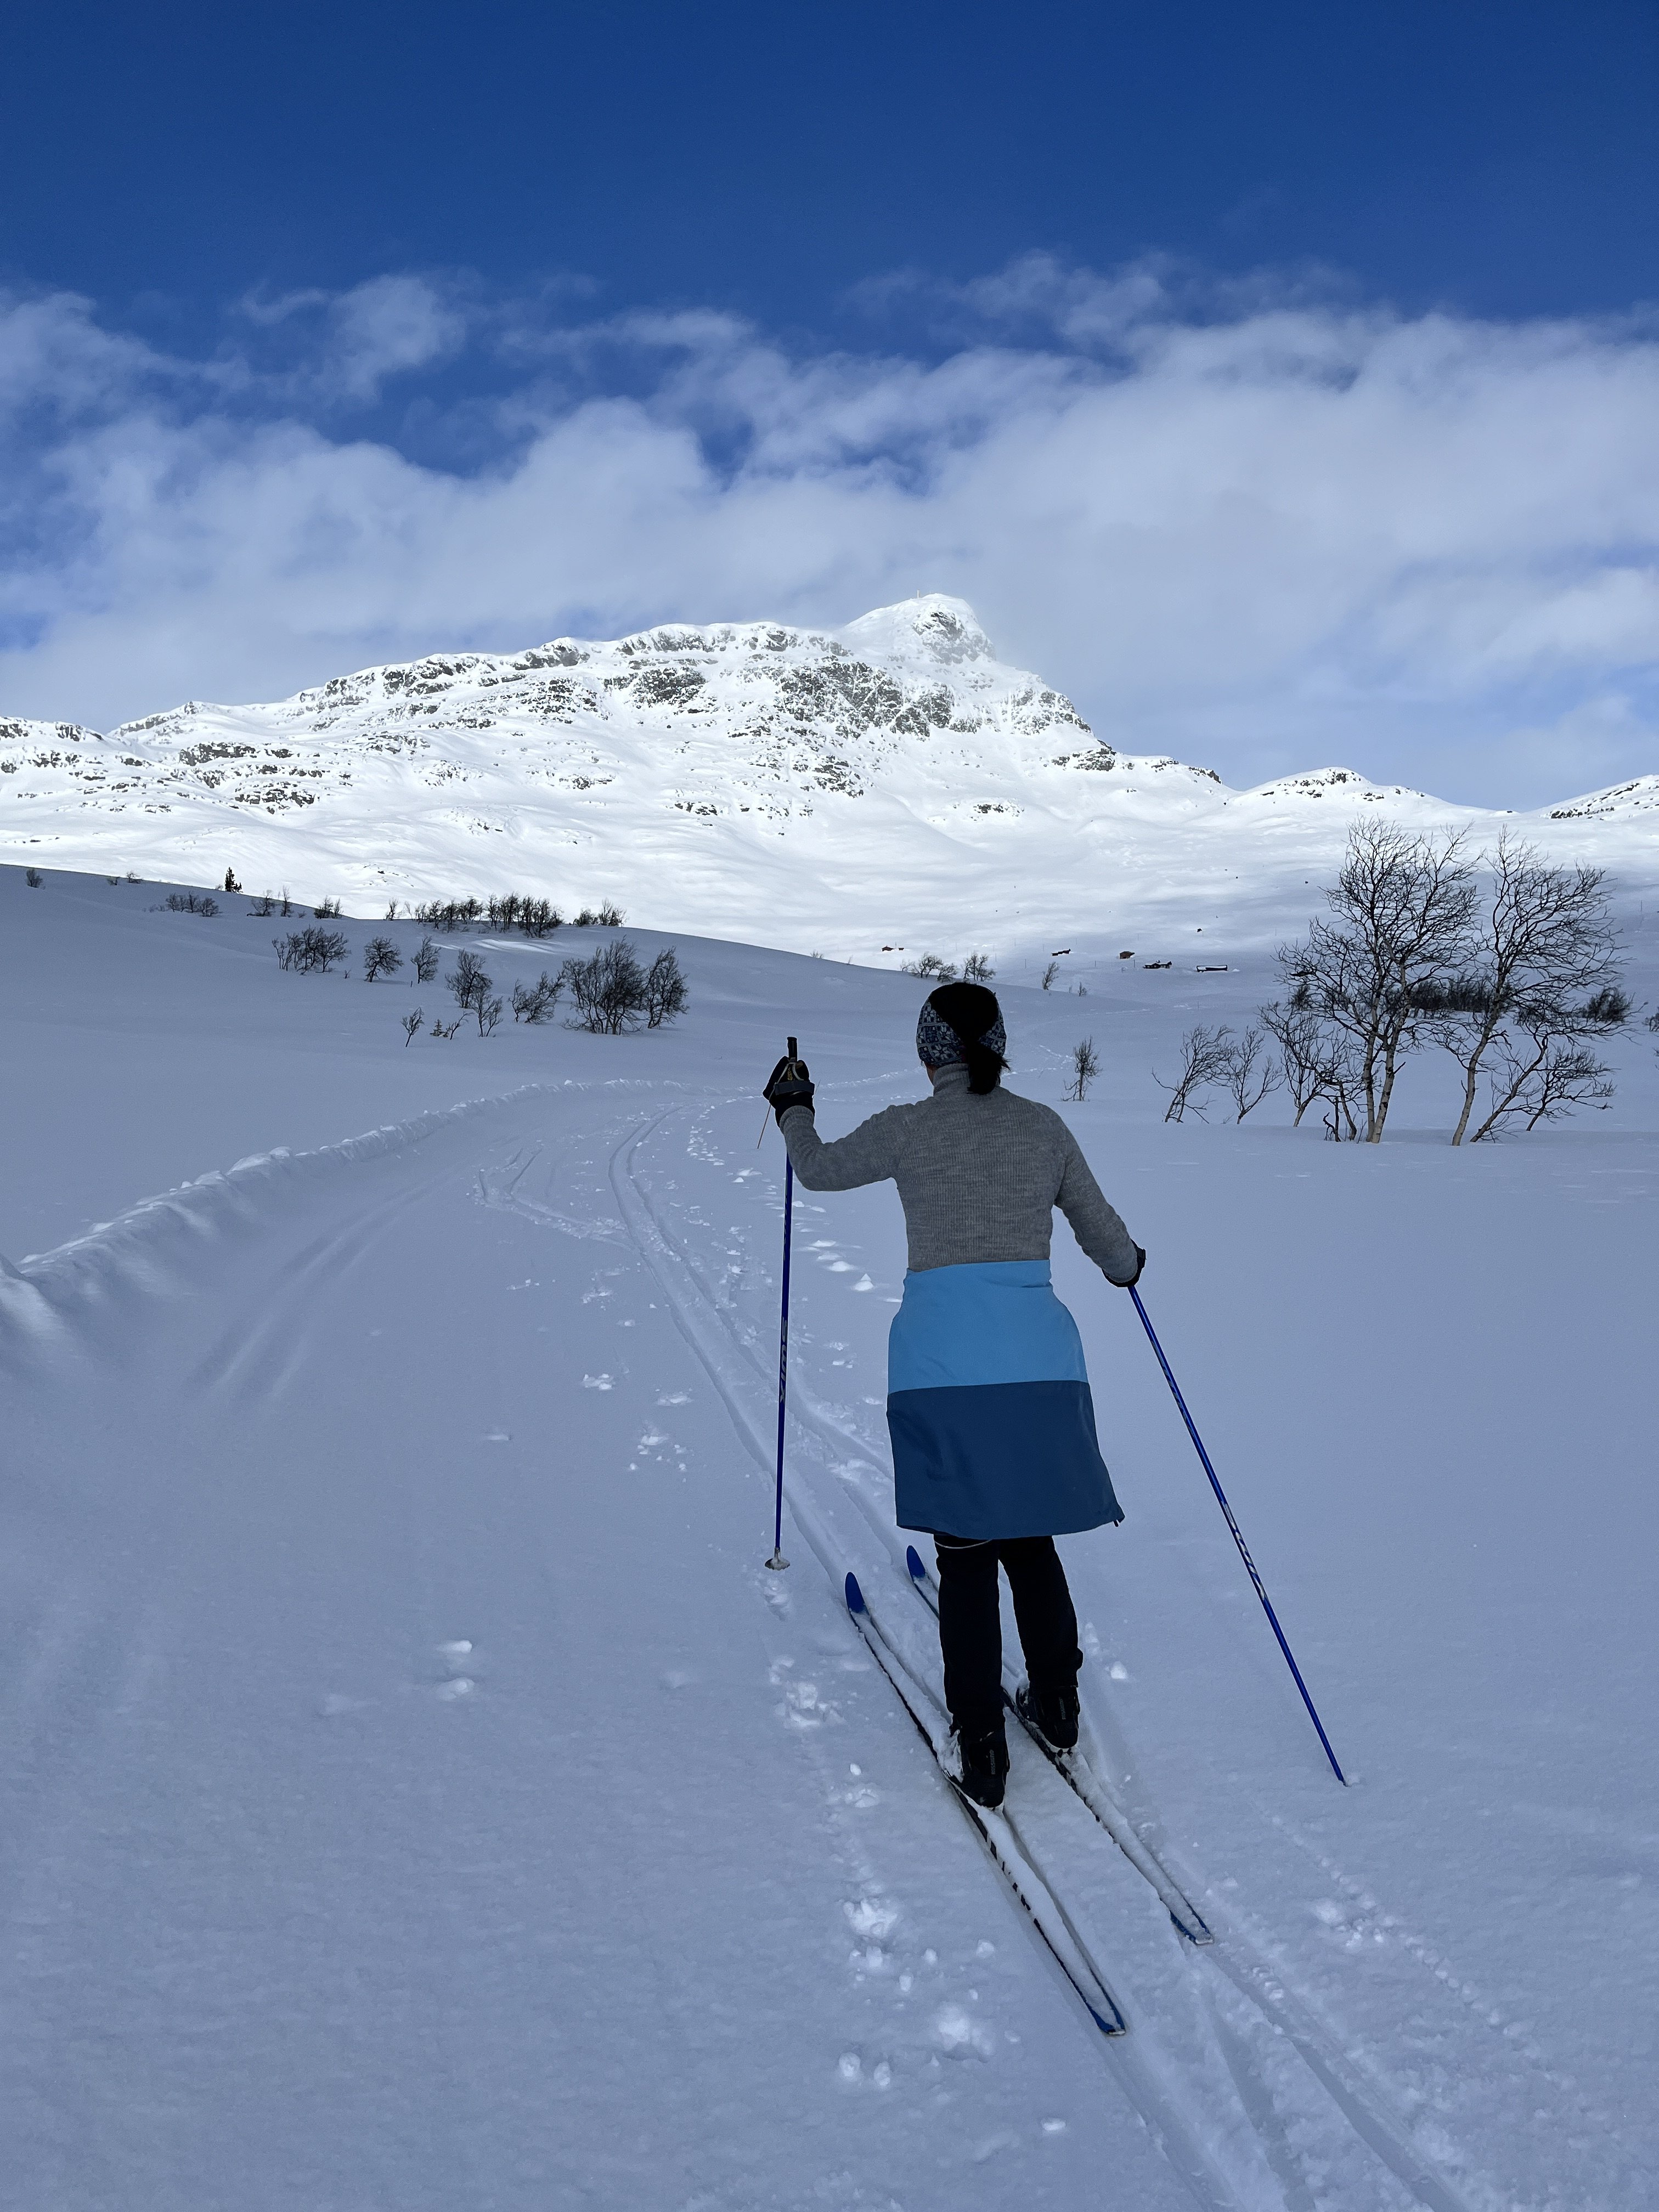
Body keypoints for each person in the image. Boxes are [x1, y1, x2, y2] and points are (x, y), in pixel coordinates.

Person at [763, 983, 1144, 1809]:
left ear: (926, 1053)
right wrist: (1128, 1265)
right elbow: (1108, 1243)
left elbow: (818, 1170)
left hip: (942, 1367)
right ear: (997, 1048)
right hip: (1039, 1367)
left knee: (966, 1553)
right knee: (1031, 1537)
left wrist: (794, 1107)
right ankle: (1059, 1706)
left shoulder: (908, 1127)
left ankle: (980, 1742)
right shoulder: (1043, 1127)